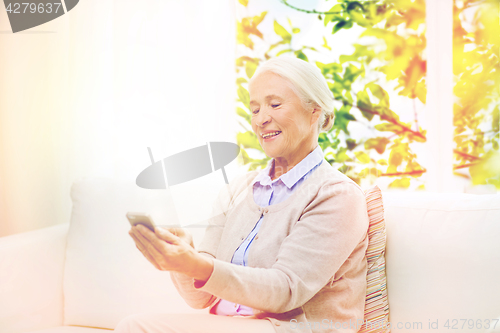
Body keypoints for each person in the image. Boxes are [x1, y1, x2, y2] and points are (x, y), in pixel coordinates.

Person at [115, 56, 369, 333]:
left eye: (274, 104)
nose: (261, 119)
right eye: (255, 109)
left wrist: (197, 264)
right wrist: (183, 259)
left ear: (314, 112)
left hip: (291, 328)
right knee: (132, 326)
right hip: (230, 325)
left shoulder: (338, 195)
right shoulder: (238, 189)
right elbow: (201, 298)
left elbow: (285, 290)